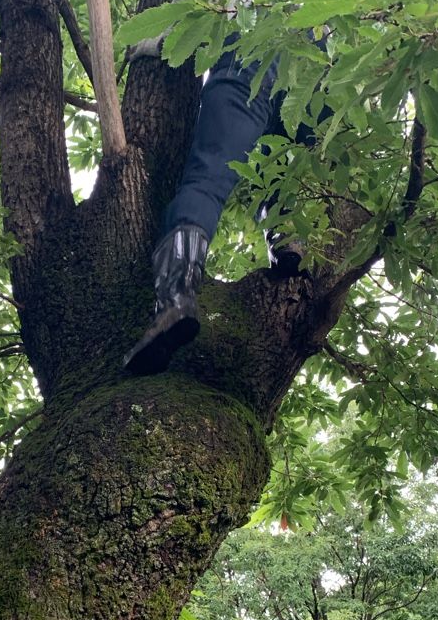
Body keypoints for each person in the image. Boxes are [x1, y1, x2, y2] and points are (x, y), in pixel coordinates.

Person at [123, 33, 318, 376]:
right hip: (315, 77)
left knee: (208, 177)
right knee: (286, 165)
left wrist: (147, 44)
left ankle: (176, 298)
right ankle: (285, 236)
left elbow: (184, 26)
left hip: (252, 51)